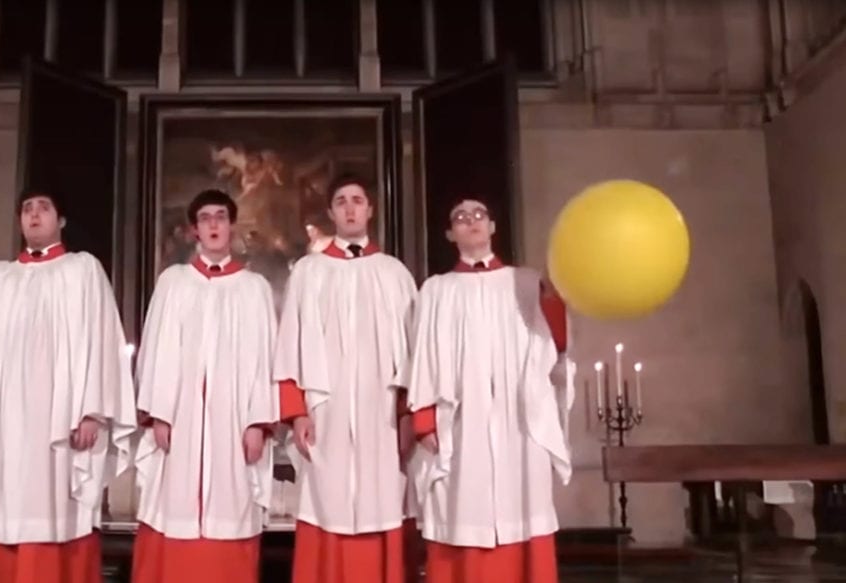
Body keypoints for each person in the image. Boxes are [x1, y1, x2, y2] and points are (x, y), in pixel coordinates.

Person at [0, 189, 137, 583]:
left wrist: (93, 411)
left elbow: (102, 342)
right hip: (1, 424)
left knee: (54, 513)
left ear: (60, 220)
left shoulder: (83, 271)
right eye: (27, 209)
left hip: (59, 423)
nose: (34, 216)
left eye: (43, 208)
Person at [406, 198, 574, 583]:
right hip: (462, 424)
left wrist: (554, 296)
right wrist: (424, 418)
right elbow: (423, 356)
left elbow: (556, 343)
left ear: (493, 227)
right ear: (451, 234)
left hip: (518, 422)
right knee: (462, 505)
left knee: (523, 502)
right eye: (460, 218)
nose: (471, 222)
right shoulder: (436, 289)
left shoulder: (526, 282)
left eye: (479, 215)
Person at [130, 188, 280, 582]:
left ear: (231, 226)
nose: (214, 224)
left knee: (230, 508)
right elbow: (158, 349)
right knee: (173, 505)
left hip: (232, 425)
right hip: (179, 422)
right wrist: (160, 413)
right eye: (205, 218)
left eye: (220, 217)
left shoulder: (255, 289)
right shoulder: (174, 283)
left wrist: (257, 422)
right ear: (194, 230)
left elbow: (265, 359)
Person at [274, 174, 418, 583]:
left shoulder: (394, 274)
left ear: (370, 209)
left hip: (382, 417)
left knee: (382, 499)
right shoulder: (309, 271)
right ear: (332, 212)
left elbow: (414, 356)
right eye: (341, 201)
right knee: (327, 500)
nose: (351, 208)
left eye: (358, 199)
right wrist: (296, 412)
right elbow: (290, 345)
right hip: (327, 414)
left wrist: (408, 417)